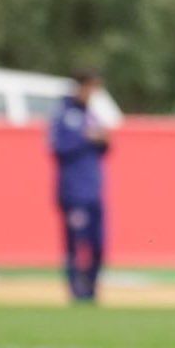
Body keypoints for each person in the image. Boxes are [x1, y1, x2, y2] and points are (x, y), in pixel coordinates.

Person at [49, 70, 110, 302]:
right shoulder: (64, 115)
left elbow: (103, 148)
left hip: (94, 191)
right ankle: (76, 293)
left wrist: (103, 140)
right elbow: (57, 147)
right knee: (75, 244)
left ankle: (91, 290)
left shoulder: (92, 115)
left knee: (97, 245)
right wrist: (85, 137)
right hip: (73, 192)